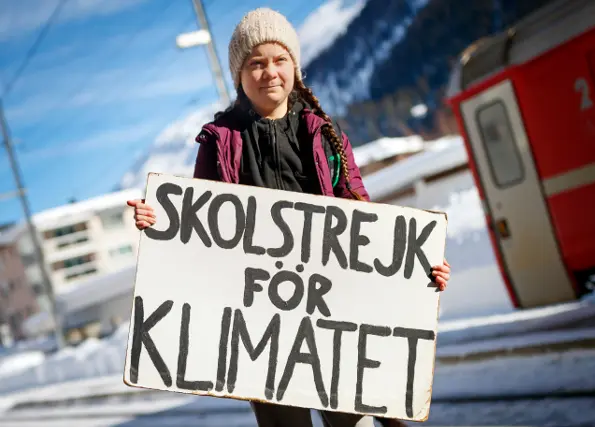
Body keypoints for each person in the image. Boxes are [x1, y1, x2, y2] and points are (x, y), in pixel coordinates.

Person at [127, 7, 451, 427]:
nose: (270, 72)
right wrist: (161, 222)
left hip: (334, 319)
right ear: (239, 75)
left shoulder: (327, 135)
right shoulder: (219, 143)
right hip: (261, 334)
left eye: (279, 59)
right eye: (256, 63)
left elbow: (364, 222)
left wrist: (416, 264)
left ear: (294, 67)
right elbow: (198, 231)